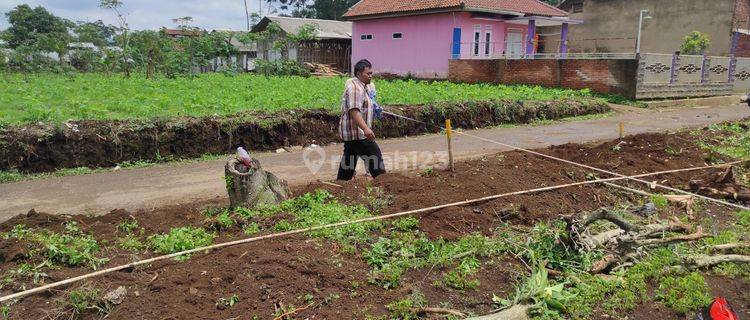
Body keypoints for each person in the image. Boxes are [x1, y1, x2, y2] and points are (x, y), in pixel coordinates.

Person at [337, 59, 386, 181]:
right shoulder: (355, 88)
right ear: (359, 73)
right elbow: (354, 110)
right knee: (375, 157)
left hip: (354, 134)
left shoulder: (362, 86)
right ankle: (385, 183)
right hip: (358, 133)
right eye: (368, 73)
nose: (371, 76)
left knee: (349, 160)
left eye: (371, 73)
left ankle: (341, 184)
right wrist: (366, 129)